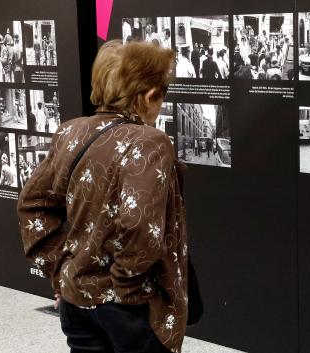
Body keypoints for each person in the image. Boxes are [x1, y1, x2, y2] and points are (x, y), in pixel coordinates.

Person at [17, 40, 188, 353]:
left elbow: (32, 205)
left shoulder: (70, 132)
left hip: (75, 300)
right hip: (131, 309)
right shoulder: (150, 142)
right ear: (149, 95)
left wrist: (61, 271)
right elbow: (139, 224)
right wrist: (126, 289)